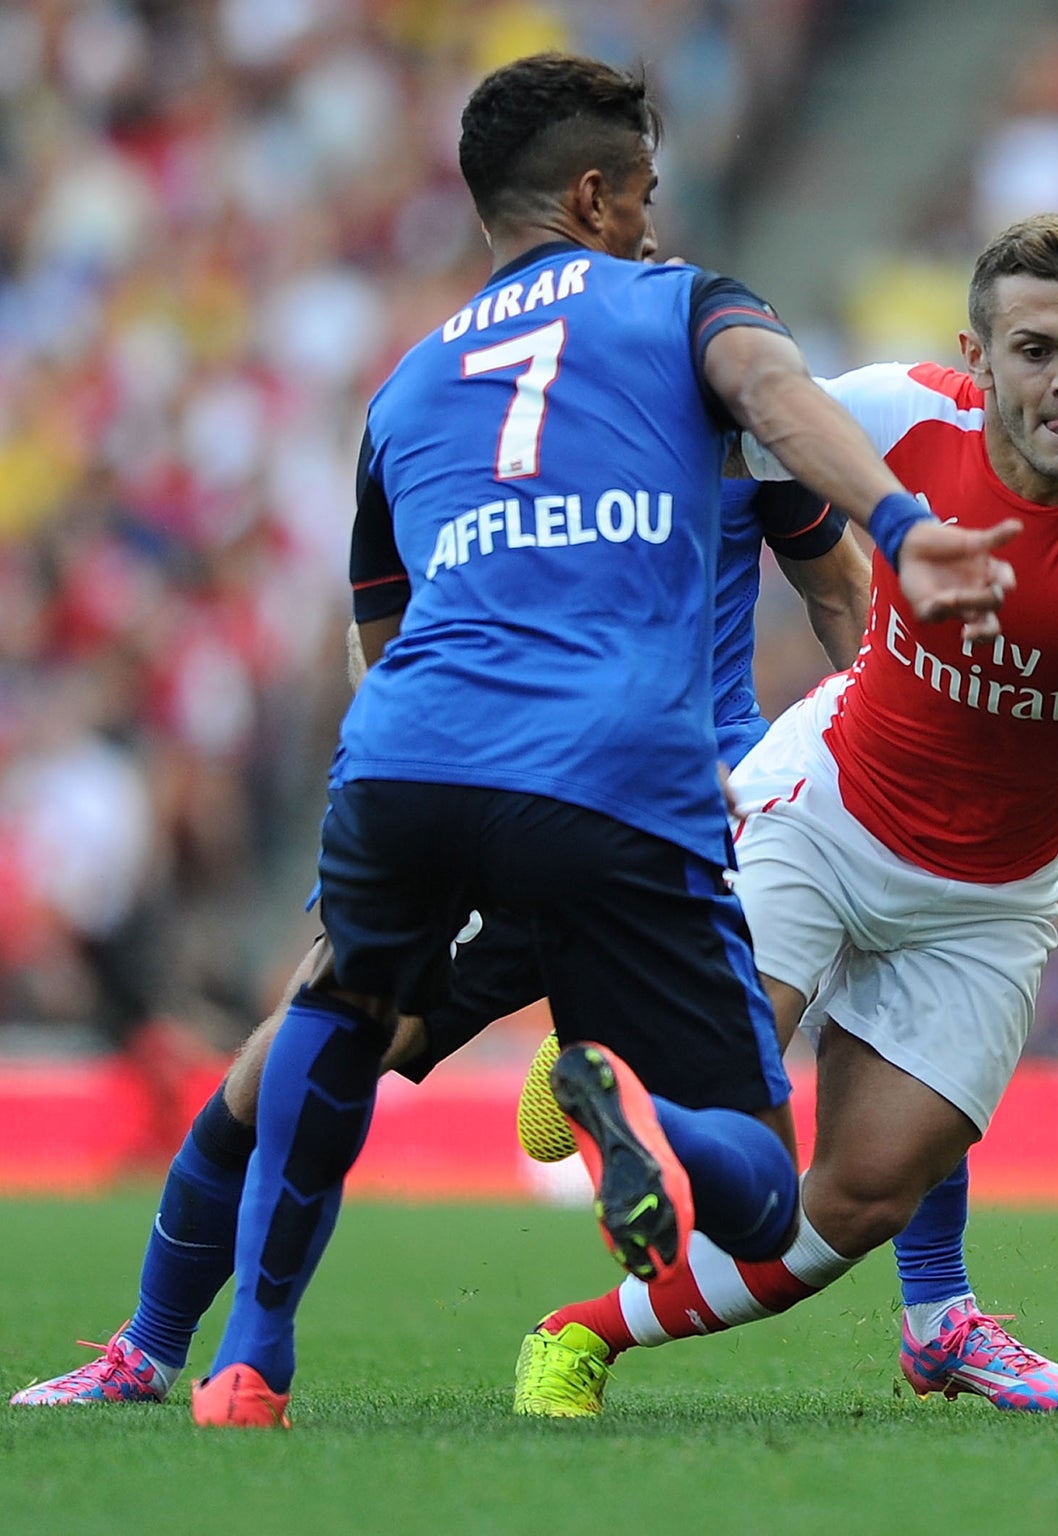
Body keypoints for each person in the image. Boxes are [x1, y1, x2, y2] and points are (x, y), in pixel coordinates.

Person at [158, 52, 1014, 1430]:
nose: (658, 222)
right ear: (598, 194)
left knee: (324, 1027)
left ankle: (241, 1361)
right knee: (760, 1183)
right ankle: (649, 1107)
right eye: (648, 194)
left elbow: (379, 633)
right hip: (636, 788)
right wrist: (904, 528)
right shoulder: (688, 317)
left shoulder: (403, 389)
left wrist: (385, 834)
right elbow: (791, 433)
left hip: (415, 757)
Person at [511, 212, 1058, 1416]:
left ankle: (579, 1335)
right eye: (1036, 350)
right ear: (976, 354)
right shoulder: (899, 411)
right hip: (826, 814)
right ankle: (605, 1059)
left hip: (989, 901)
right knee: (724, 1108)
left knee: (857, 1198)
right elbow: (719, 439)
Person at [6, 474, 868, 1410]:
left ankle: (172, 1351)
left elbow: (382, 641)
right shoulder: (721, 397)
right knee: (773, 1149)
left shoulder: (510, 404)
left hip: (516, 794)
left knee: (313, 1043)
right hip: (688, 806)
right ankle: (639, 1103)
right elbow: (844, 594)